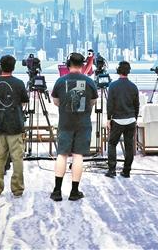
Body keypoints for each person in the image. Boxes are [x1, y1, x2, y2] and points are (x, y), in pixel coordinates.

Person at [50, 52, 98, 201]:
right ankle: (74, 192)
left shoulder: (60, 81)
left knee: (62, 154)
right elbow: (93, 102)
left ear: (68, 64)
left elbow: (55, 101)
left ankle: (57, 191)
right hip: (83, 123)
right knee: (78, 155)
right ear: (83, 65)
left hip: (65, 122)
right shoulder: (89, 82)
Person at [0, 55, 28, 197]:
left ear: (0, 66)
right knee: (17, 158)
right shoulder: (19, 83)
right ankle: (17, 189)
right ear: (14, 67)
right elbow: (24, 101)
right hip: (15, 125)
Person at [105, 61, 140, 178]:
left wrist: (108, 119)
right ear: (128, 71)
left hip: (117, 120)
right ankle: (126, 171)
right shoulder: (133, 87)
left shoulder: (113, 86)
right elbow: (137, 105)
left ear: (118, 70)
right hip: (131, 120)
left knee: (112, 144)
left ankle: (112, 170)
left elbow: (110, 104)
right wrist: (135, 118)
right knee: (129, 146)